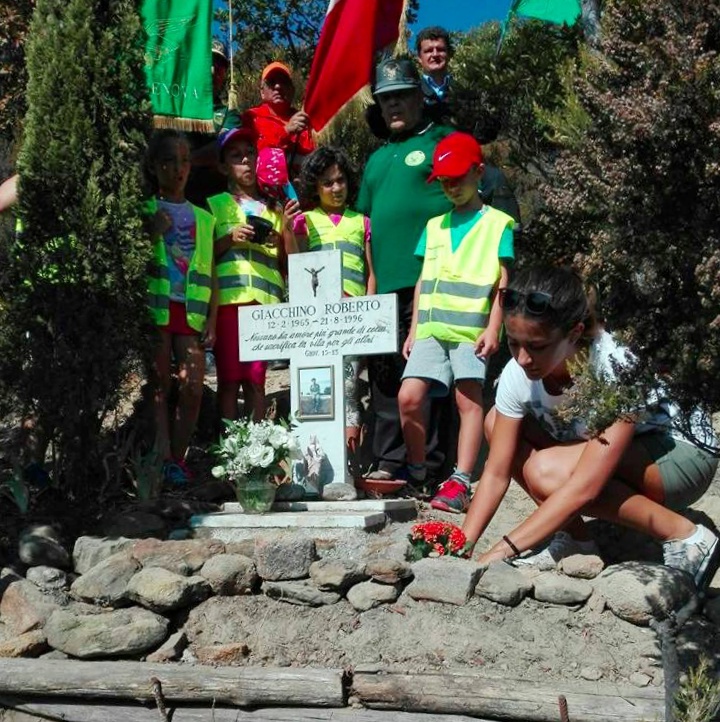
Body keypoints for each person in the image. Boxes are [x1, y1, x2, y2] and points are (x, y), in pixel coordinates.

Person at [461, 265, 720, 590]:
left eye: (537, 346)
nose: (523, 358)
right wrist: (460, 547)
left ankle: (687, 536)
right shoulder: (518, 372)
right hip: (613, 451)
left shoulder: (614, 363)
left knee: (547, 471)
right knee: (495, 421)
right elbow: (496, 472)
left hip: (681, 454)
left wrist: (500, 551)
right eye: (514, 343)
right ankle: (575, 542)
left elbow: (585, 487)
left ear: (573, 333)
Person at [399, 132, 514, 512]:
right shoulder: (434, 226)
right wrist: (414, 328)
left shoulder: (499, 223)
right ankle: (419, 474)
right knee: (408, 397)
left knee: (468, 402)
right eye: (444, 181)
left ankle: (460, 482)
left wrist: (493, 327)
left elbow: (502, 281)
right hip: (431, 330)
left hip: (470, 332)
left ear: (478, 173)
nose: (451, 187)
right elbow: (422, 281)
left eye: (457, 178)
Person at [357, 56, 456, 486]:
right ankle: (389, 461)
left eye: (400, 96)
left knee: (428, 376)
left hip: (433, 285)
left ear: (419, 96)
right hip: (384, 289)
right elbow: (365, 228)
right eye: (385, 99)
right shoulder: (376, 161)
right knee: (384, 379)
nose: (393, 106)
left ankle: (433, 468)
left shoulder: (443, 140)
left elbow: (475, 198)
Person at [206, 127, 299, 423]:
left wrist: (281, 233)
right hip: (230, 304)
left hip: (265, 306)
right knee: (230, 380)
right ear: (223, 167)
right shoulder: (214, 205)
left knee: (257, 380)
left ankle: (259, 451)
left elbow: (290, 262)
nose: (246, 160)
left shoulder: (274, 208)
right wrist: (230, 237)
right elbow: (203, 256)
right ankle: (232, 456)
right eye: (236, 156)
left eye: (250, 153)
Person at [144, 130, 217, 485]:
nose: (178, 168)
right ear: (155, 166)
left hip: (192, 313)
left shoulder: (204, 218)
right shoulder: (143, 211)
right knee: (159, 385)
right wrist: (152, 233)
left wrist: (213, 319)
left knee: (193, 386)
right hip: (156, 311)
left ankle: (178, 456)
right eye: (169, 161)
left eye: (185, 160)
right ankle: (160, 457)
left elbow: (211, 272)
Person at [296, 146, 376, 457]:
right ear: (315, 187)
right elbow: (298, 264)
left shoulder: (361, 221)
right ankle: (316, 456)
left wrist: (368, 311)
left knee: (349, 386)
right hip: (317, 319)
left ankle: (350, 457)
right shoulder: (306, 221)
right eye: (327, 182)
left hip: (353, 317)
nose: (336, 188)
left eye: (340, 180)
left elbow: (372, 273)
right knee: (317, 385)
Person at [185, 39, 241, 206]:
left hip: (215, 204)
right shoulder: (176, 107)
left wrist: (181, 159)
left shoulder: (229, 114)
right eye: (208, 63)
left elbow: (223, 150)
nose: (213, 71)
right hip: (174, 201)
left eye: (220, 67)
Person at [241, 62, 315, 182]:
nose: (278, 86)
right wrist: (286, 131)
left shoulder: (304, 120)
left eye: (283, 82)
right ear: (262, 92)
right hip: (264, 194)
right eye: (271, 82)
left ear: (292, 90)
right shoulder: (251, 117)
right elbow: (249, 155)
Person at [416, 26, 453, 124]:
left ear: (448, 54)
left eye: (440, 49)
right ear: (419, 58)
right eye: (428, 51)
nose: (435, 54)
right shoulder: (413, 93)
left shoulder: (462, 88)